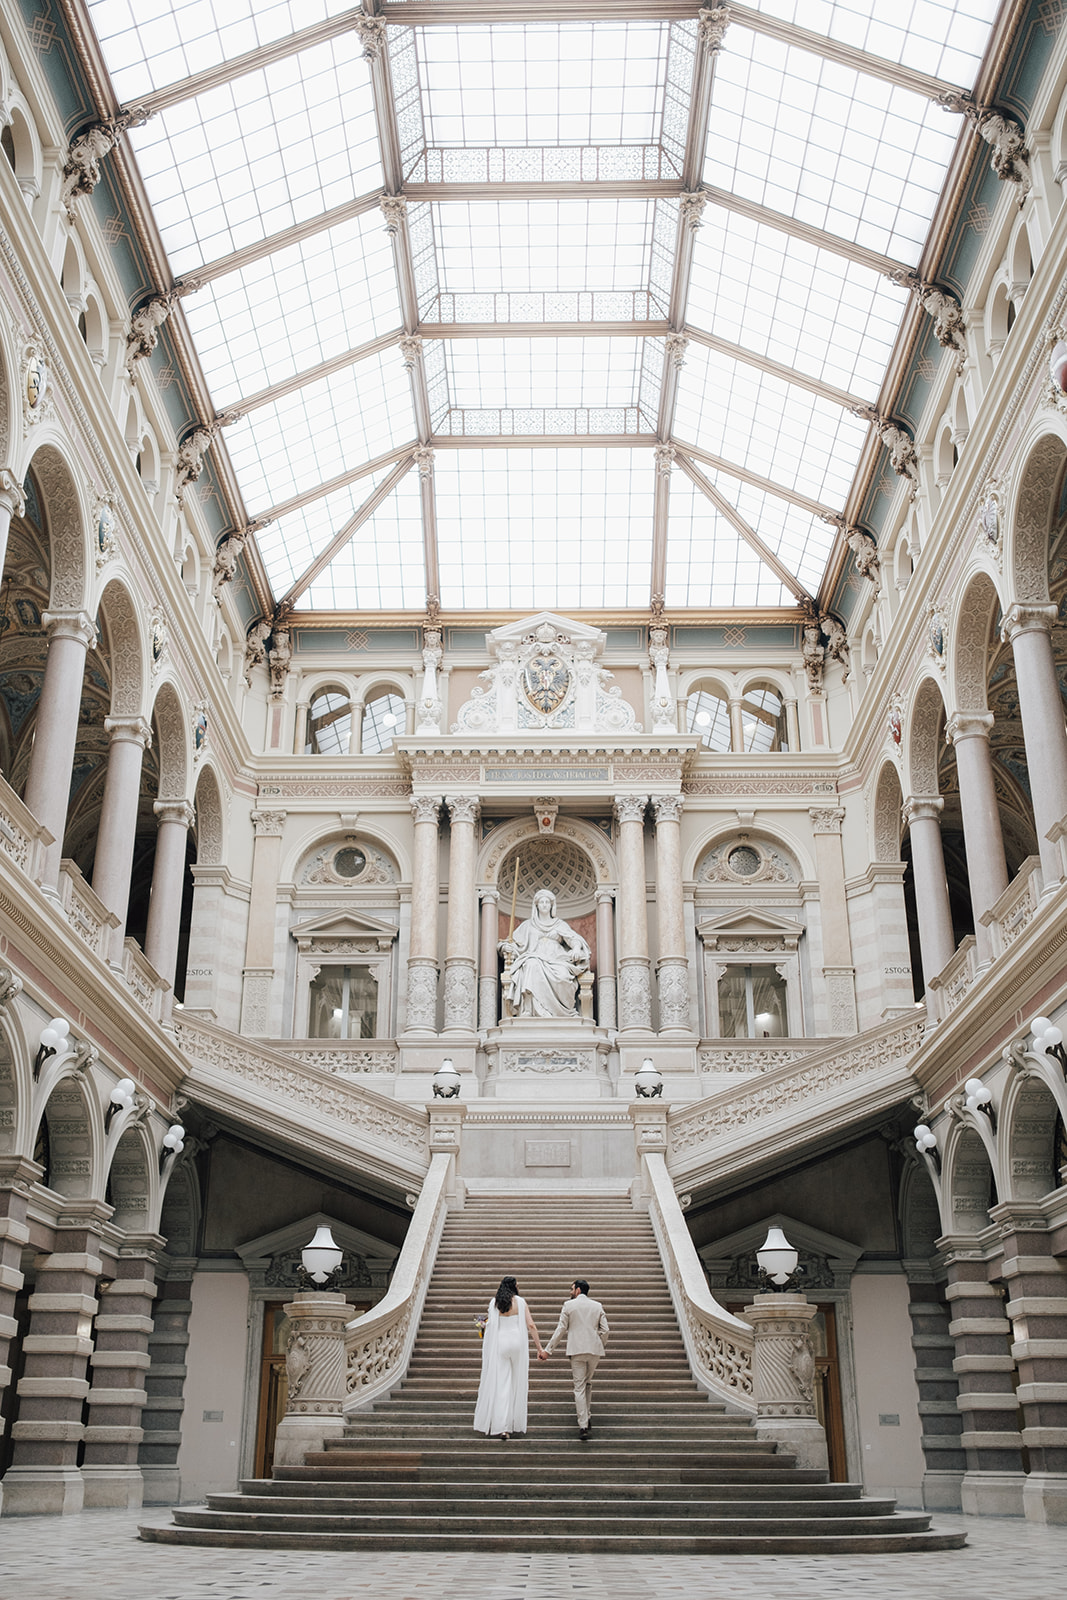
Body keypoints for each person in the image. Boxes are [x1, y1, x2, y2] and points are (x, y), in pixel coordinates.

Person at [473, 1275, 545, 1440]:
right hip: (517, 1344)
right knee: (516, 1382)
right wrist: (539, 1348)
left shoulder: (495, 1303)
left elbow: (490, 1324)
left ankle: (503, 1427)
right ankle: (515, 1421)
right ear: (514, 1287)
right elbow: (531, 1325)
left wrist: (482, 1327)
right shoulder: (521, 1302)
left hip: (501, 1345)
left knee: (502, 1384)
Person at [500, 888, 591, 1018]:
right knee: (531, 965)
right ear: (536, 905)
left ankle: (564, 1012)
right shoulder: (528, 925)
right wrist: (506, 948)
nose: (544, 905)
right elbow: (509, 943)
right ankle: (529, 1009)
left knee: (563, 975)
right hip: (534, 957)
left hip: (557, 959)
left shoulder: (559, 924)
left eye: (547, 902)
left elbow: (574, 940)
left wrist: (576, 948)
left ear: (552, 905)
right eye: (541, 902)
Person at [540, 1278, 609, 1440]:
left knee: (579, 1387)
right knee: (588, 1383)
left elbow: (561, 1329)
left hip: (577, 1350)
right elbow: (605, 1330)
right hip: (594, 1350)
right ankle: (587, 1415)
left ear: (578, 1290)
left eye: (571, 1289)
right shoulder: (597, 1306)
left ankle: (583, 1425)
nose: (570, 1292)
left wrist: (548, 1350)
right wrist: (599, 1343)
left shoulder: (568, 1305)